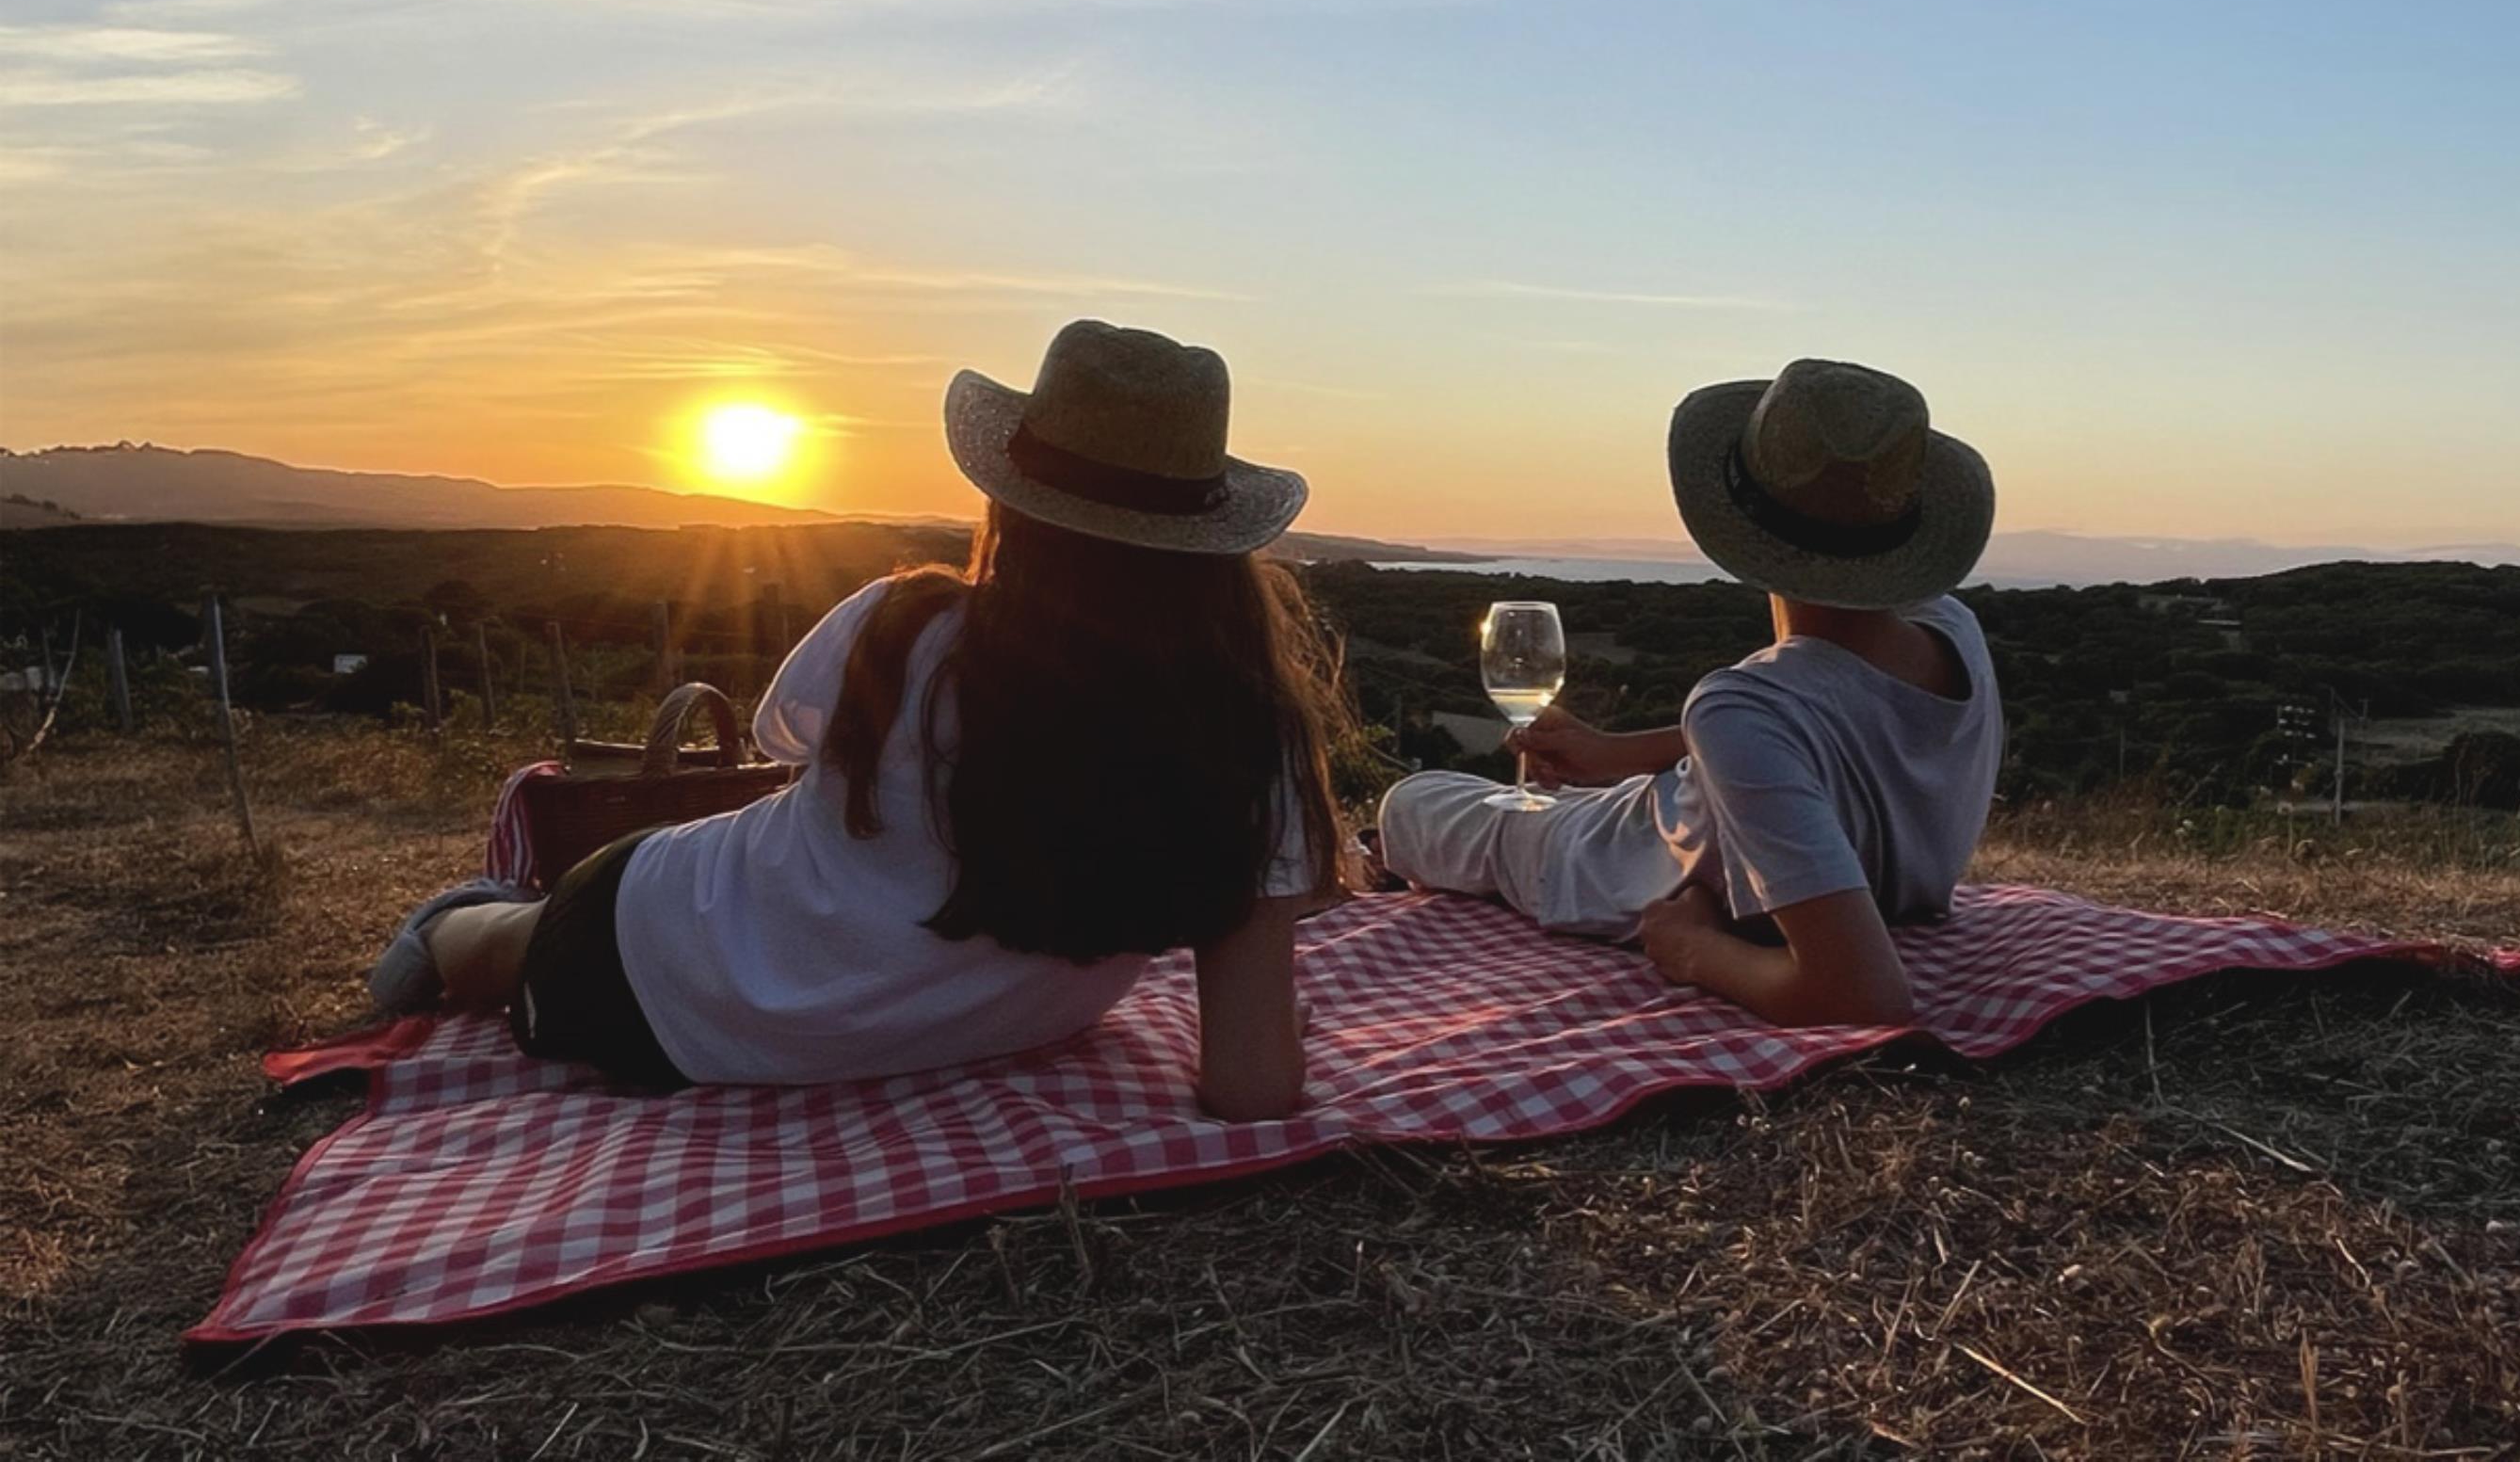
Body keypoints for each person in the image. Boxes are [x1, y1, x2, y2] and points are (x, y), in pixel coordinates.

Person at [370, 320, 1349, 1120]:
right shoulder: (1247, 744)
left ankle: (482, 914)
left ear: (1010, 508)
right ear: (1212, 552)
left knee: (527, 946)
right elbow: (1255, 1088)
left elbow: (784, 748)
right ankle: (456, 916)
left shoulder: (901, 628)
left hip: (675, 965)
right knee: (492, 944)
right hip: (661, 945)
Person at [1377, 360, 2001, 1028]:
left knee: (1411, 800)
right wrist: (1613, 753)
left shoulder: (1744, 705)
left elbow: (1864, 997)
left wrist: (1693, 949)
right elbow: (1810, 733)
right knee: (1563, 800)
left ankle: (1379, 854)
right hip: (1671, 817)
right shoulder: (1954, 630)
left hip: (1594, 864)